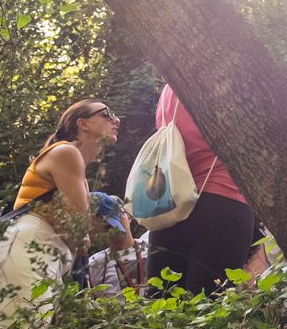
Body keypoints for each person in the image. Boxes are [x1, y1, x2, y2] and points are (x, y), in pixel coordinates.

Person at [0, 100, 118, 324]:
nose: (116, 120)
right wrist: (84, 236)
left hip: (48, 254)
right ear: (82, 123)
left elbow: (75, 227)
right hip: (31, 248)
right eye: (107, 113)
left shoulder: (74, 165)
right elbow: (77, 224)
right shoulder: (65, 152)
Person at [147, 85, 257, 295]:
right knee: (210, 308)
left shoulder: (170, 90)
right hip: (223, 202)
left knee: (161, 306)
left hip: (168, 206)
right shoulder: (229, 80)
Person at [82, 198, 148, 297]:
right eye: (107, 222)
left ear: (129, 216)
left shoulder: (151, 248)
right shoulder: (96, 264)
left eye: (118, 215)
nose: (114, 226)